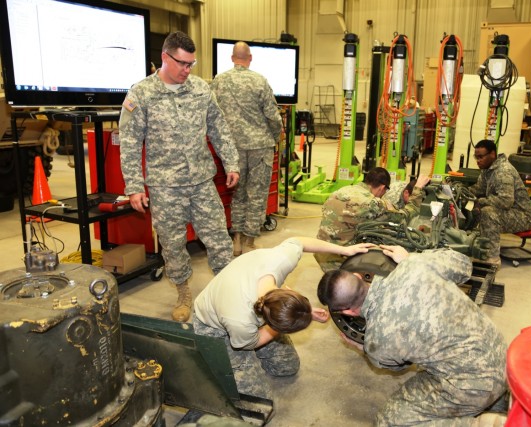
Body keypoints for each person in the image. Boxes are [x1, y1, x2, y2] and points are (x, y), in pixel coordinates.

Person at [119, 31, 240, 322]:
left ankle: (230, 294)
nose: (187, 70)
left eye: (191, 64)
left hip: (201, 182)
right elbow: (130, 141)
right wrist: (134, 186)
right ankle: (184, 293)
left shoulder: (200, 89)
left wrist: (232, 163)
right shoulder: (142, 93)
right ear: (165, 57)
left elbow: (218, 128)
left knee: (220, 241)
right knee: (173, 246)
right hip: (164, 187)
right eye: (182, 63)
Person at [317, 245, 508, 426]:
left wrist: (365, 348)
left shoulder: (377, 341)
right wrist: (412, 257)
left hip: (472, 387)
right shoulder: (414, 265)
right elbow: (464, 265)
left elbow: (399, 365)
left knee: (389, 421)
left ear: (348, 313)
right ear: (358, 275)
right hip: (503, 355)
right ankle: (501, 403)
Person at [193, 236, 372, 401]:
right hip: (215, 328)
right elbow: (249, 343)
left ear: (287, 292)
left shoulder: (279, 261)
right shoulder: (238, 318)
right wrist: (274, 328)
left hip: (253, 316)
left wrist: (344, 250)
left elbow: (300, 242)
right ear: (274, 325)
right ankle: (213, 361)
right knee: (258, 401)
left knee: (288, 368)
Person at [211, 41, 283, 256]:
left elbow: (212, 114)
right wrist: (275, 136)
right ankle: (250, 241)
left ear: (232, 58)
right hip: (260, 146)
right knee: (257, 194)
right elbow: (272, 115)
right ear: (249, 58)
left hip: (232, 148)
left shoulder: (218, 81)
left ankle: (236, 239)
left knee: (238, 193)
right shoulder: (259, 81)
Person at [315, 168, 430, 271]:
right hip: (338, 261)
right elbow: (406, 215)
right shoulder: (372, 203)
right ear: (382, 188)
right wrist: (418, 188)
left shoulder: (341, 191)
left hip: (321, 252)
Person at [468, 139, 531, 265]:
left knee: (488, 213)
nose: (478, 160)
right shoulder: (487, 169)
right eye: (476, 157)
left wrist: (480, 201)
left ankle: (492, 258)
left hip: (522, 216)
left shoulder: (503, 171)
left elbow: (506, 201)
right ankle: (479, 247)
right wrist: (462, 192)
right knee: (473, 209)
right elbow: (479, 188)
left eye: (481, 157)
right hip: (508, 212)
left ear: (492, 154)